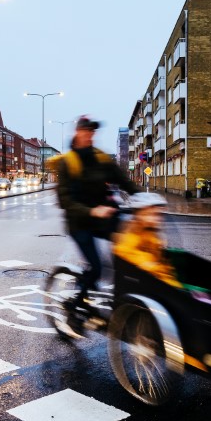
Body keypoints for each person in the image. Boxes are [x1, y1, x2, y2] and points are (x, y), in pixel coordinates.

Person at [51, 116, 139, 322]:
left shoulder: (101, 158)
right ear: (77, 132)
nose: (89, 134)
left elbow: (123, 180)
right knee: (97, 267)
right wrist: (92, 211)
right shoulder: (67, 163)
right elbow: (65, 201)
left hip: (103, 218)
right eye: (85, 130)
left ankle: (119, 302)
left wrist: (145, 198)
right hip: (79, 222)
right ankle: (76, 302)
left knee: (127, 253)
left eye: (92, 131)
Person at [113, 193, 181, 289]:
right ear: (140, 215)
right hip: (150, 284)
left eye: (158, 214)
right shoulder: (132, 235)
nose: (157, 218)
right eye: (151, 214)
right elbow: (123, 251)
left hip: (162, 280)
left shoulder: (151, 232)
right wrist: (149, 263)